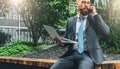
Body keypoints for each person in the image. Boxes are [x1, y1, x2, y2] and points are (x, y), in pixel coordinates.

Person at [50, 0, 110, 69]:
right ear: (77, 4)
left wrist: (95, 14)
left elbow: (106, 32)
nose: (86, 5)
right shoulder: (70, 21)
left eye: (88, 3)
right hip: (71, 55)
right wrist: (60, 42)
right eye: (83, 2)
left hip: (87, 56)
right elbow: (66, 40)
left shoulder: (94, 20)